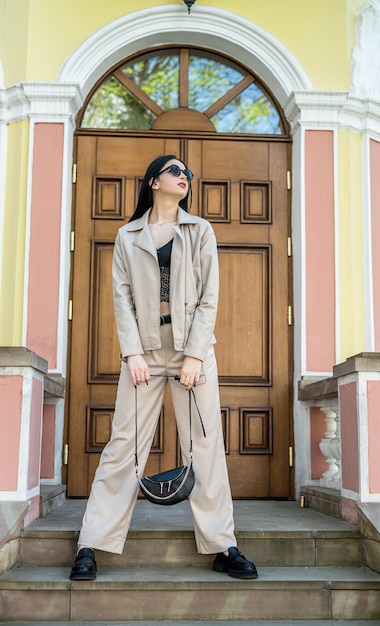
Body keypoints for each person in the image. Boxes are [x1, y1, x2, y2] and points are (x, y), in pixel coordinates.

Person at [69, 154, 257, 581]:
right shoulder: (127, 236)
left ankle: (223, 544)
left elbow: (210, 297)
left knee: (205, 448)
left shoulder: (200, 230)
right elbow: (122, 300)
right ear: (154, 181)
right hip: (145, 353)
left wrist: (194, 354)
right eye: (175, 171)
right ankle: (91, 542)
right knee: (124, 447)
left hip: (193, 351)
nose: (184, 176)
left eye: (187, 172)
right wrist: (132, 353)